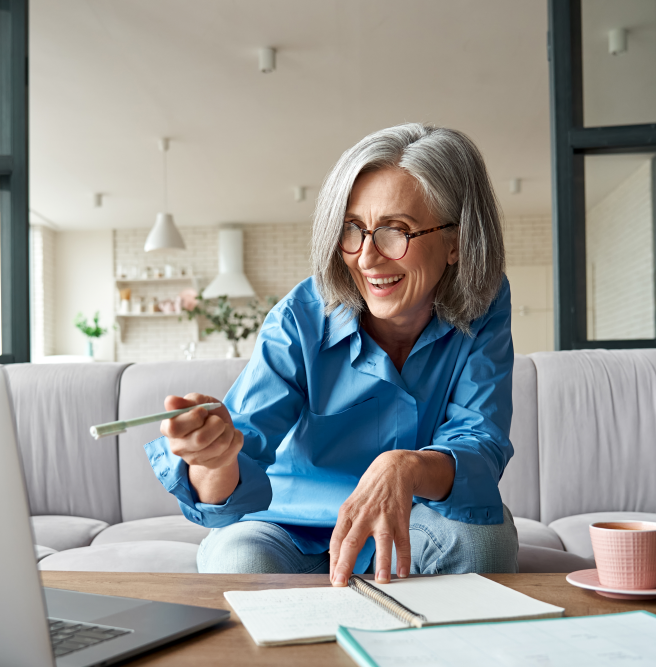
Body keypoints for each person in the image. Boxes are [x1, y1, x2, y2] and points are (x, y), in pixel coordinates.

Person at [144, 123, 517, 587]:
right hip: (284, 527)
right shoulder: (299, 318)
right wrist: (214, 459)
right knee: (238, 560)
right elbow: (240, 462)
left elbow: (479, 442)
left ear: (457, 242)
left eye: (395, 231)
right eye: (352, 230)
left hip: (412, 521)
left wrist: (405, 466)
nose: (366, 258)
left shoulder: (483, 305)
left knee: (485, 540)